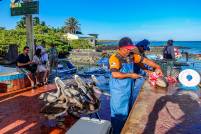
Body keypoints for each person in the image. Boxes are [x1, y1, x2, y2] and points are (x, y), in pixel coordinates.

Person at [109, 37, 163, 134]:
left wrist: (156, 67)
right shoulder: (115, 58)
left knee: (128, 113)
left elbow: (145, 61)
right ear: (120, 48)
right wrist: (131, 75)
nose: (128, 51)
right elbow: (115, 74)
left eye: (130, 49)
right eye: (126, 49)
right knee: (118, 116)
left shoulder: (131, 55)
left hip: (128, 89)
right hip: (118, 92)